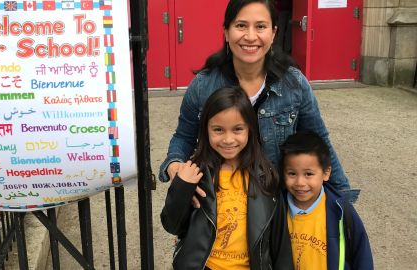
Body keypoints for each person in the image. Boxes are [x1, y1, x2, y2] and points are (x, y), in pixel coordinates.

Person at [158, 0, 359, 204]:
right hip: (221, 205)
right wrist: (174, 166)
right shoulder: (203, 86)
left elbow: (319, 141)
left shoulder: (294, 84)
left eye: (260, 26)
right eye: (241, 25)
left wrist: (343, 200)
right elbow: (184, 137)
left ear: (273, 33)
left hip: (277, 205)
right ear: (227, 32)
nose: (251, 36)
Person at [161, 87, 293, 270]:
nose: (228, 139)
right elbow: (172, 225)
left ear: (250, 129)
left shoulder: (265, 175)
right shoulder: (196, 173)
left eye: (237, 129)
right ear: (206, 130)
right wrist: (182, 187)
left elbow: (280, 240)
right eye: (218, 130)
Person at [280, 131, 373, 269]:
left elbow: (362, 253)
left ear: (326, 173)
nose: (300, 182)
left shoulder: (340, 211)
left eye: (308, 174)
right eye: (292, 173)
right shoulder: (277, 209)